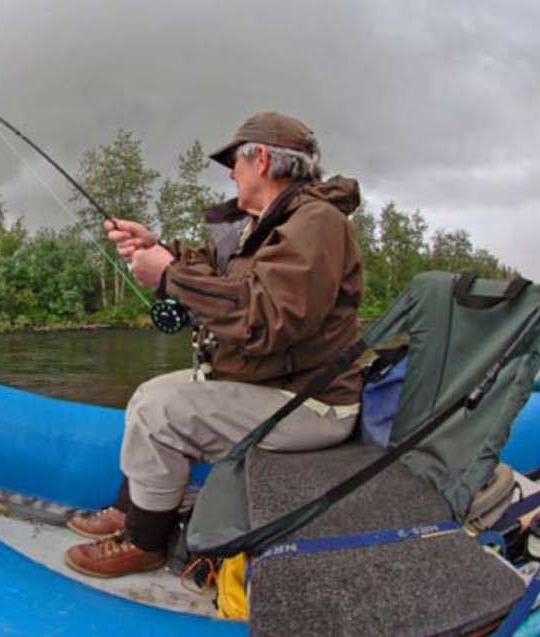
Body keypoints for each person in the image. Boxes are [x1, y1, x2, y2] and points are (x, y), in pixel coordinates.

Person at [63, 112, 365, 578]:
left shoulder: (316, 223)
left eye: (235, 162)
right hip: (275, 386)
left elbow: (268, 318)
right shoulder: (265, 225)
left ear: (261, 159)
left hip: (312, 404)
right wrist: (157, 246)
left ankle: (145, 542)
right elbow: (217, 270)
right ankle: (132, 508)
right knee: (150, 391)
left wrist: (168, 276)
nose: (230, 173)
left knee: (157, 409)